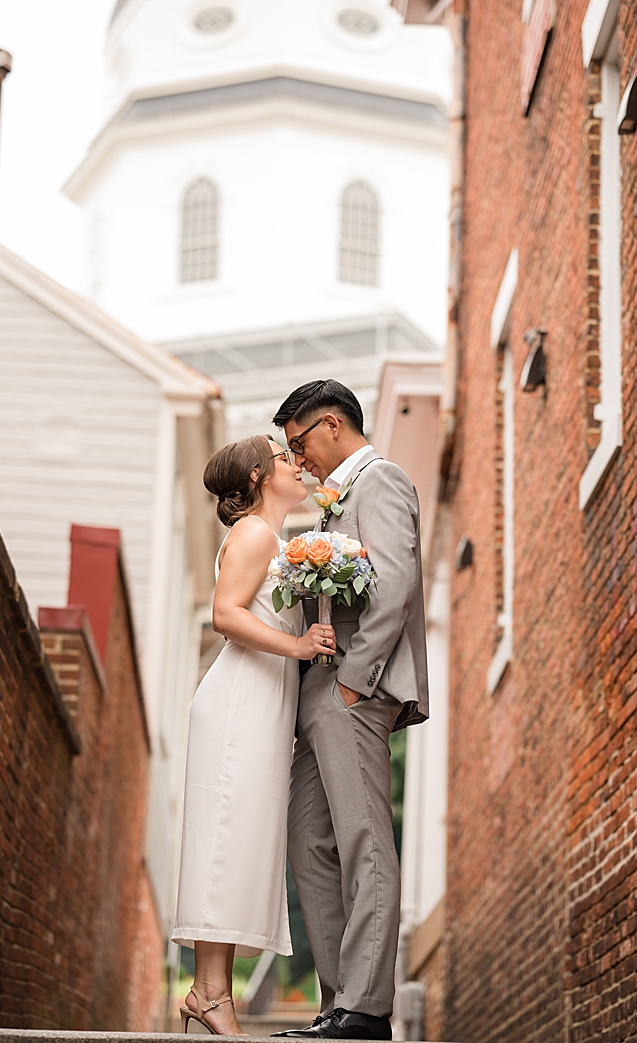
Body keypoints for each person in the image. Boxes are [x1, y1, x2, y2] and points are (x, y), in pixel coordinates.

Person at [271, 380, 429, 1041]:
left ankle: (364, 1010)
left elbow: (394, 581)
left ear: (332, 425)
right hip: (320, 695)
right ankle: (339, 1003)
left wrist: (355, 683)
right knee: (308, 843)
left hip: (353, 694)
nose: (298, 459)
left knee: (365, 840)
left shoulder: (381, 481)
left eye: (300, 443)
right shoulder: (336, 501)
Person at [171, 436, 336, 1036]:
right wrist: (297, 645)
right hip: (239, 704)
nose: (297, 462)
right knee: (225, 842)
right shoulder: (254, 535)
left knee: (236, 846)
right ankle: (213, 996)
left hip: (263, 706)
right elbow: (226, 614)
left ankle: (209, 992)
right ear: (261, 475)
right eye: (284, 455)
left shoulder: (277, 540)